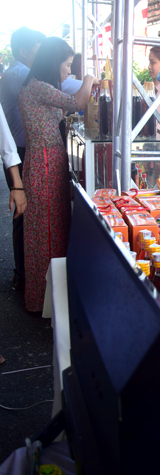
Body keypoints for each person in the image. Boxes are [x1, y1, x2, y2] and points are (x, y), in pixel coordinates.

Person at [19, 37, 96, 313]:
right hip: (45, 165)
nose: (67, 71)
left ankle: (45, 301)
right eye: (66, 65)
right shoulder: (38, 88)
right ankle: (46, 303)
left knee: (46, 232)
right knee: (48, 233)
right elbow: (78, 101)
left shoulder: (35, 88)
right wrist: (89, 77)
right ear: (54, 63)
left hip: (44, 163)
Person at [0, 27, 45, 292]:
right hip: (19, 153)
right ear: (24, 51)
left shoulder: (15, 73)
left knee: (23, 212)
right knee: (22, 213)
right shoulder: (19, 74)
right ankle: (24, 274)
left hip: (16, 152)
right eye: (38, 52)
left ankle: (25, 273)